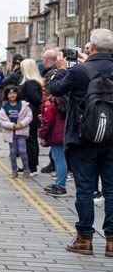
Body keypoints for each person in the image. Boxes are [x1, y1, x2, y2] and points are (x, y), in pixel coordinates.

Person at [48, 29, 113, 257]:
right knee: (112, 190)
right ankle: (112, 241)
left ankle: (85, 239)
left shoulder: (79, 71)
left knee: (85, 190)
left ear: (92, 47)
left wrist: (61, 69)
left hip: (83, 138)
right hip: (112, 139)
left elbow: (55, 90)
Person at [0, 85, 32, 178]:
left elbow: (29, 116)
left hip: (22, 132)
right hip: (10, 133)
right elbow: (1, 121)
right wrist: (11, 125)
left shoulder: (23, 105)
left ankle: (26, 169)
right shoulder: (4, 107)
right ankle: (14, 171)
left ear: (17, 94)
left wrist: (21, 124)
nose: (12, 95)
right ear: (6, 95)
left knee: (23, 151)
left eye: (14, 93)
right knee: (13, 153)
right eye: (10, 93)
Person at [39, 84, 67, 196]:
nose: (42, 89)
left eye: (44, 87)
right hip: (64, 134)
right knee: (60, 159)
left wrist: (42, 135)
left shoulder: (51, 102)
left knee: (59, 159)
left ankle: (60, 186)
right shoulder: (64, 99)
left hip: (56, 135)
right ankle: (59, 183)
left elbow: (47, 122)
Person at [19, 58, 44, 174]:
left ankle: (31, 166)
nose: (21, 69)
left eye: (22, 67)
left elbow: (37, 99)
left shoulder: (31, 83)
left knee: (30, 140)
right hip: (30, 113)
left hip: (30, 114)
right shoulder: (32, 82)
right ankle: (30, 164)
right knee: (30, 139)